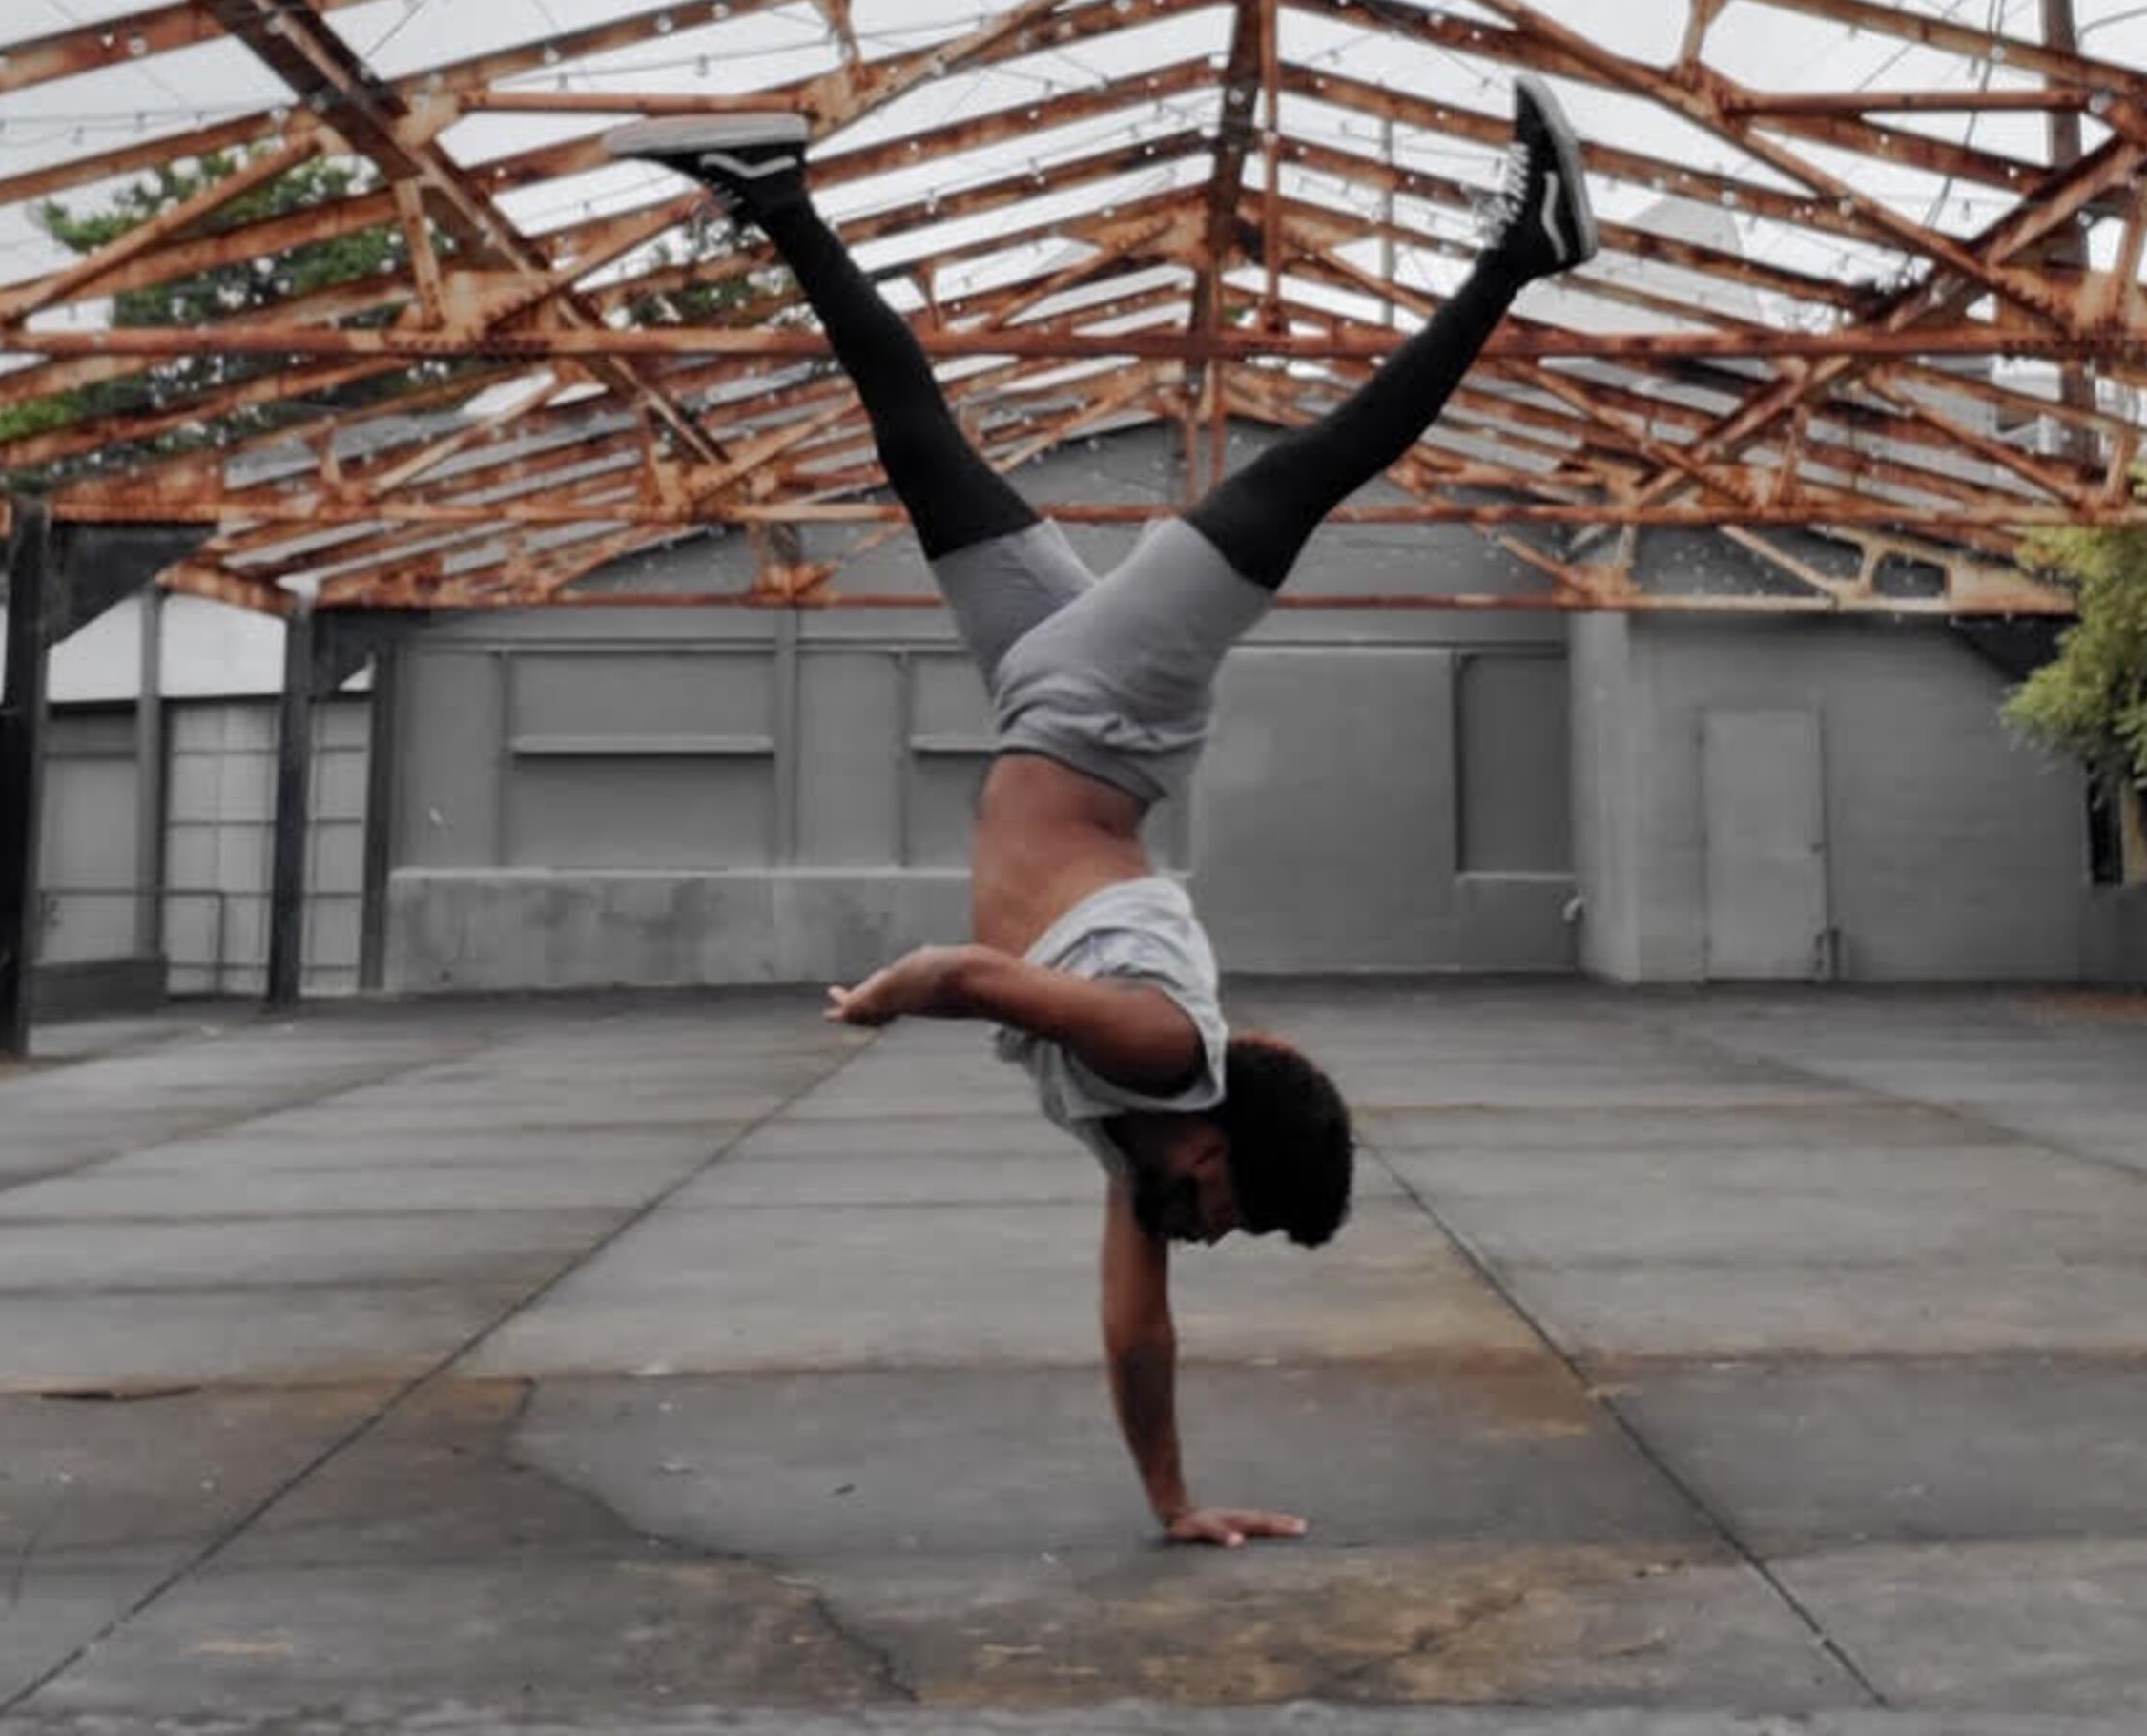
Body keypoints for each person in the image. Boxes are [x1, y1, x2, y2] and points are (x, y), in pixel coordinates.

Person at [603, 74, 1600, 1543]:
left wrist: (1176, 1503)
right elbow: (962, 978)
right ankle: (1529, 252)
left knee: (916, 448)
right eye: (1225, 1214)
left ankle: (778, 194)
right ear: (1211, 1146)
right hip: (1108, 709)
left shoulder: (1128, 1146)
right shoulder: (1156, 1053)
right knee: (1302, 476)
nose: (1201, 1237)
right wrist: (876, 1000)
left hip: (1040, 694)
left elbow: (1138, 1340)